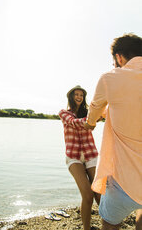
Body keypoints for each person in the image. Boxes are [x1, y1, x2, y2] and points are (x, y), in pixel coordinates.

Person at [84, 33, 142, 230]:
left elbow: (94, 112)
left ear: (119, 57)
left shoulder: (111, 78)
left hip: (122, 180)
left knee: (110, 223)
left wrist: (90, 124)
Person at [59, 85, 100, 230]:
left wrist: (94, 118)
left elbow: (95, 121)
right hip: (74, 157)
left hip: (90, 154)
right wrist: (89, 121)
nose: (79, 97)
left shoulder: (88, 113)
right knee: (88, 195)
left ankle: (107, 225)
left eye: (81, 95)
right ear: (71, 97)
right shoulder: (64, 113)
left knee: (100, 195)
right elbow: (74, 123)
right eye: (76, 94)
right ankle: (86, 228)